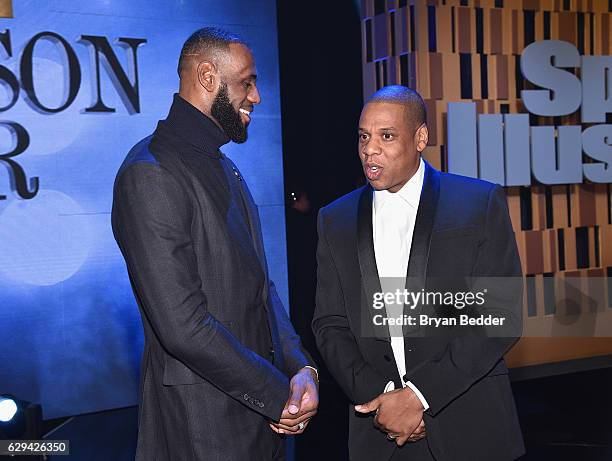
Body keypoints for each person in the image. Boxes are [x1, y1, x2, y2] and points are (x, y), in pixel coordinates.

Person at [111, 27, 318, 460]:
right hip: (202, 429)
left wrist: (300, 367)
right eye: (247, 82)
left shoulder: (226, 168)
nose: (256, 96)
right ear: (208, 77)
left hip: (263, 422)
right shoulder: (149, 173)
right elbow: (183, 327)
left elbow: (263, 289)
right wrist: (277, 392)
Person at [312, 85, 524, 460]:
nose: (369, 149)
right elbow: (330, 325)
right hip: (378, 433)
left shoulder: (477, 203)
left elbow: (499, 317)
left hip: (469, 425)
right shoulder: (335, 219)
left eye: (386, 136)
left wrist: (421, 397)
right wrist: (385, 402)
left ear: (420, 137)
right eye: (363, 136)